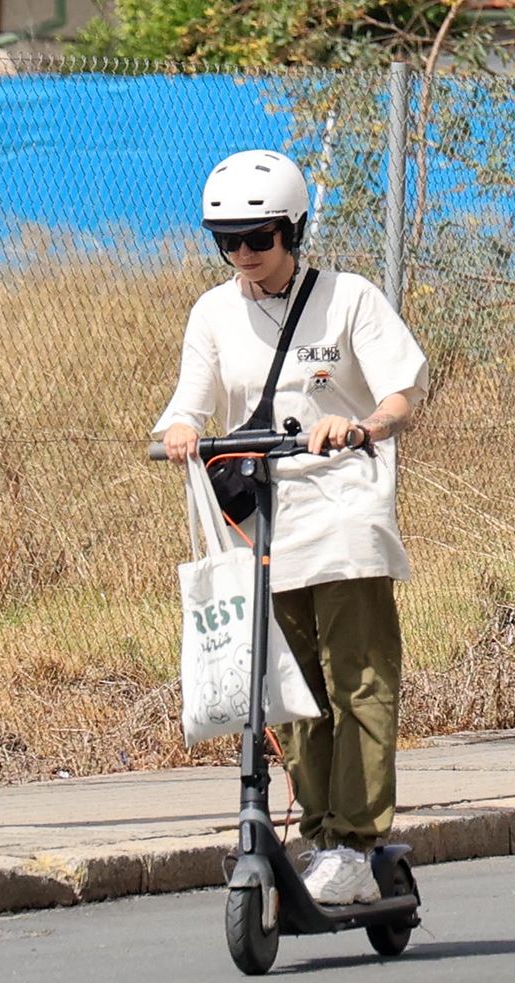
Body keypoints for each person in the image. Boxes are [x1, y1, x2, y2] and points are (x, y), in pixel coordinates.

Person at [154, 149, 430, 904]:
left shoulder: (348, 299)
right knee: (288, 688)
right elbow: (190, 399)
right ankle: (321, 835)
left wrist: (360, 426)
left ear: (294, 228)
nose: (245, 256)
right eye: (228, 241)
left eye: (260, 237)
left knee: (359, 681)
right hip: (262, 522)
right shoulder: (214, 311)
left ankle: (356, 836)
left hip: (344, 508)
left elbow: (403, 392)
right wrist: (181, 429)